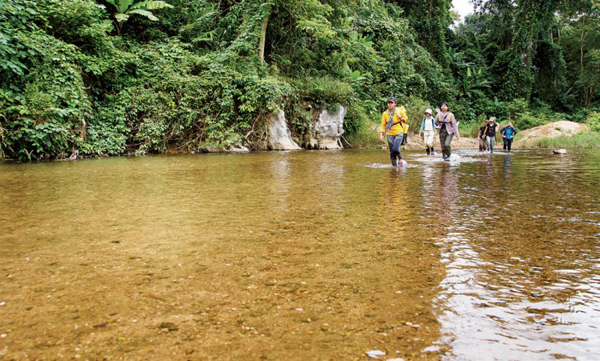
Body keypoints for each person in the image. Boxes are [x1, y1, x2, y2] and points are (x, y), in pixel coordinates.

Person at [380, 97, 409, 167]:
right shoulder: (385, 113)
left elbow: (406, 118)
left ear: (395, 104)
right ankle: (394, 167)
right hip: (389, 133)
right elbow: (383, 124)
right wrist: (381, 134)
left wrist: (401, 118)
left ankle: (401, 159)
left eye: (391, 103)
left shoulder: (399, 111)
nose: (390, 104)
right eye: (389, 103)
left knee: (395, 148)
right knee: (392, 152)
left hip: (399, 132)